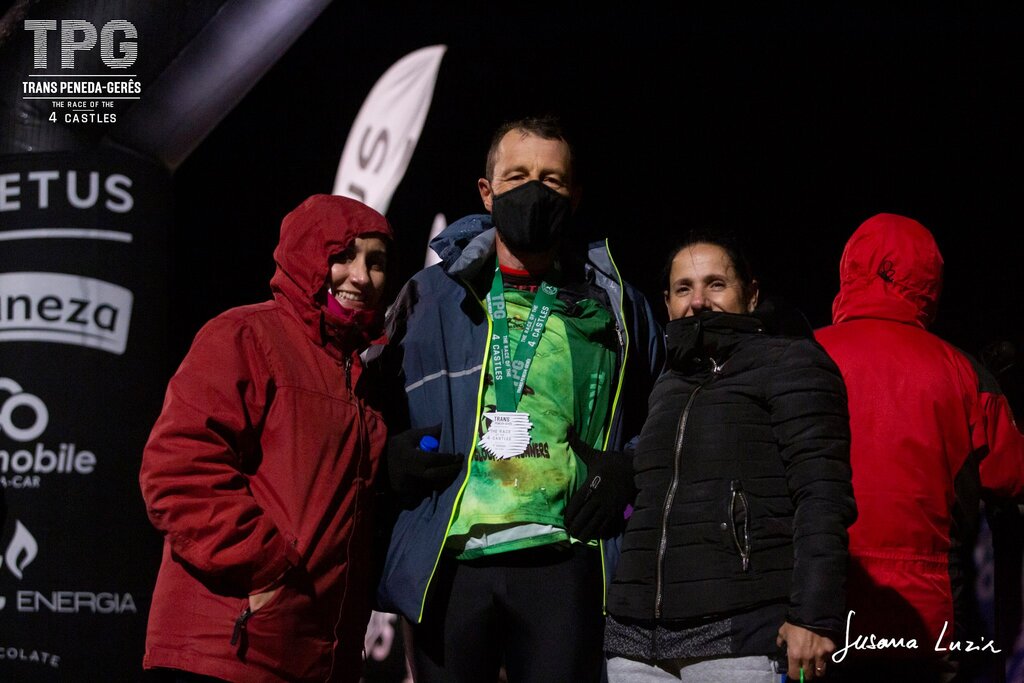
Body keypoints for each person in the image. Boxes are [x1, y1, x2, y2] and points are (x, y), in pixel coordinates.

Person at [373, 115, 664, 682]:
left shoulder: (617, 306)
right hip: (450, 562)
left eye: (552, 180)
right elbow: (361, 397)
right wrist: (382, 458)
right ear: (486, 191)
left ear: (575, 195)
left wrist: (628, 470)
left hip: (564, 558)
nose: (534, 190)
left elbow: (664, 411)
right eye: (517, 176)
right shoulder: (427, 298)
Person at [139, 194, 393, 682]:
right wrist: (268, 569)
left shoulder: (362, 379)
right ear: (306, 257)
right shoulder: (245, 335)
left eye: (376, 262)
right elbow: (178, 469)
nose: (361, 276)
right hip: (227, 649)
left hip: (313, 660)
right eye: (342, 255)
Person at [603, 232, 856, 682]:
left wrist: (815, 616)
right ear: (667, 302)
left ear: (751, 294)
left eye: (715, 284)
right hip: (636, 639)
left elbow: (822, 495)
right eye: (684, 288)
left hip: (740, 632)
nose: (698, 301)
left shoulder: (791, 361)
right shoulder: (667, 384)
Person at [814, 213, 1024, 682]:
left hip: (818, 604)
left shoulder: (804, 356)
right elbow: (1010, 475)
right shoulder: (966, 373)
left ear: (851, 268)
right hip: (929, 607)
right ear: (929, 279)